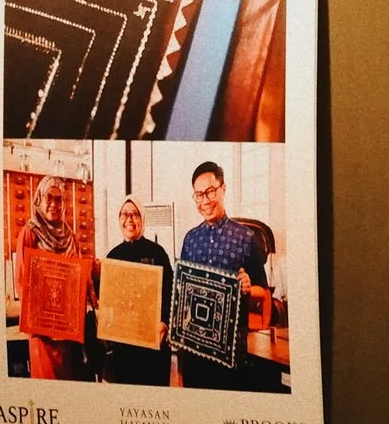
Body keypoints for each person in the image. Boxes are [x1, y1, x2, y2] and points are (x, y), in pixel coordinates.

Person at [176, 159, 271, 389]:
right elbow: (181, 292)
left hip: (231, 350)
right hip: (194, 350)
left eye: (210, 191)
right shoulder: (190, 239)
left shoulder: (246, 238)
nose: (205, 201)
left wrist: (248, 287)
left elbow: (264, 292)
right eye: (199, 195)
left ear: (223, 189)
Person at [17, 175, 91, 380]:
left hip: (69, 335)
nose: (54, 204)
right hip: (44, 336)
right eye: (49, 197)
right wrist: (43, 325)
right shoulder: (30, 234)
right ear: (39, 199)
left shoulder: (70, 236)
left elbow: (78, 280)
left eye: (59, 199)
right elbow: (23, 283)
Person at [97, 196, 175, 386]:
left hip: (153, 343)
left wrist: (165, 323)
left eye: (135, 214)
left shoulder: (157, 253)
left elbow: (171, 291)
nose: (129, 219)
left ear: (142, 218)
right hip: (124, 347)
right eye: (124, 214)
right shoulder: (113, 256)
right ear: (119, 219)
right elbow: (108, 300)